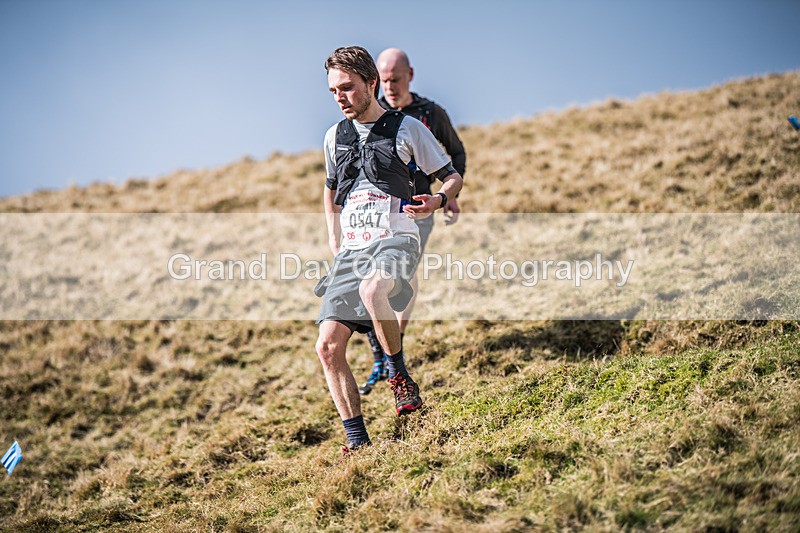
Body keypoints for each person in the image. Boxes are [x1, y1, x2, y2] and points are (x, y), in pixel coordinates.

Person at [315, 46, 463, 453]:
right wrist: (333, 235)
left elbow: (450, 176)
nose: (340, 96)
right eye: (333, 91)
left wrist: (437, 199)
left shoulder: (408, 127)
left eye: (347, 87)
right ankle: (357, 442)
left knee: (373, 292)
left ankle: (398, 377)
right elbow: (330, 190)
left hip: (397, 238)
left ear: (372, 84)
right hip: (352, 251)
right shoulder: (333, 137)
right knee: (327, 346)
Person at [356, 48, 467, 396]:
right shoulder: (374, 112)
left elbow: (456, 154)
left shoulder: (431, 113)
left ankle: (393, 346)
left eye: (396, 79)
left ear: (410, 75)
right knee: (371, 282)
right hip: (376, 213)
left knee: (398, 279)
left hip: (418, 209)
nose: (389, 87)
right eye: (384, 80)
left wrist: (448, 197)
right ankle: (382, 357)